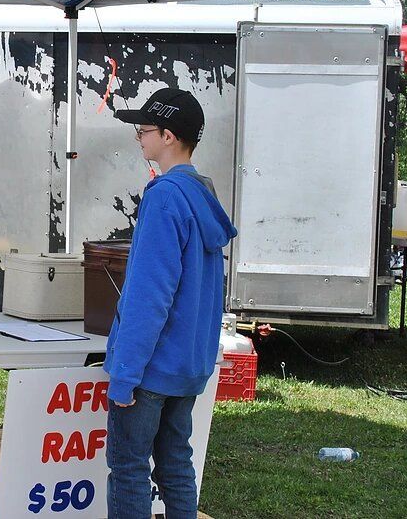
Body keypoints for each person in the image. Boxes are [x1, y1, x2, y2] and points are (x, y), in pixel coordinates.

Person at [103, 88, 236, 518]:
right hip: (188, 366)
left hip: (150, 368)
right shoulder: (203, 193)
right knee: (177, 466)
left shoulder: (163, 196)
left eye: (144, 130)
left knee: (128, 469)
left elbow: (149, 296)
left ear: (168, 135)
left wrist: (125, 372)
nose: (139, 138)